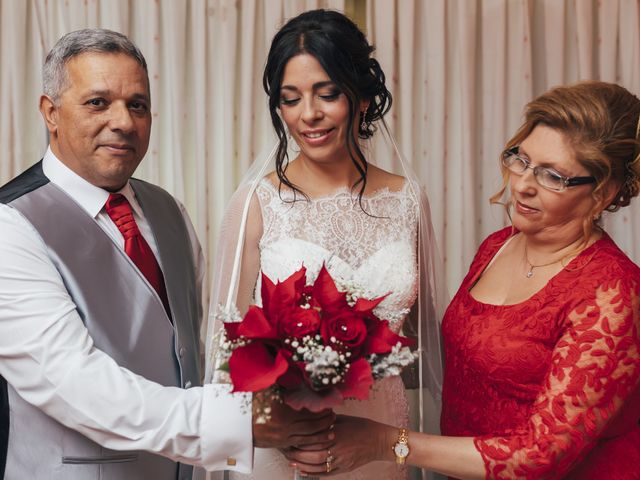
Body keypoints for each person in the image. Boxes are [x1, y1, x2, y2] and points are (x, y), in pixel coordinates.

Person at [0, 28, 334, 480]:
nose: (123, 121)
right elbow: (74, 383)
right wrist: (241, 422)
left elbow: (192, 350)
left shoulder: (169, 210)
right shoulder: (10, 225)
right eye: (98, 102)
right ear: (50, 112)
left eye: (137, 104)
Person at [286, 80, 640, 479]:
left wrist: (386, 442)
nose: (522, 184)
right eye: (520, 160)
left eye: (552, 177)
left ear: (604, 193)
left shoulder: (613, 294)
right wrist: (312, 366)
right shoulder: (499, 245)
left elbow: (542, 454)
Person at [204, 9, 446, 480]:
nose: (308, 115)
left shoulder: (409, 200)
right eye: (290, 99)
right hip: (286, 445)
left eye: (327, 94)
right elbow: (226, 352)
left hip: (379, 435)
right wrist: (280, 425)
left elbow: (426, 337)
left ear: (361, 97)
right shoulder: (257, 202)